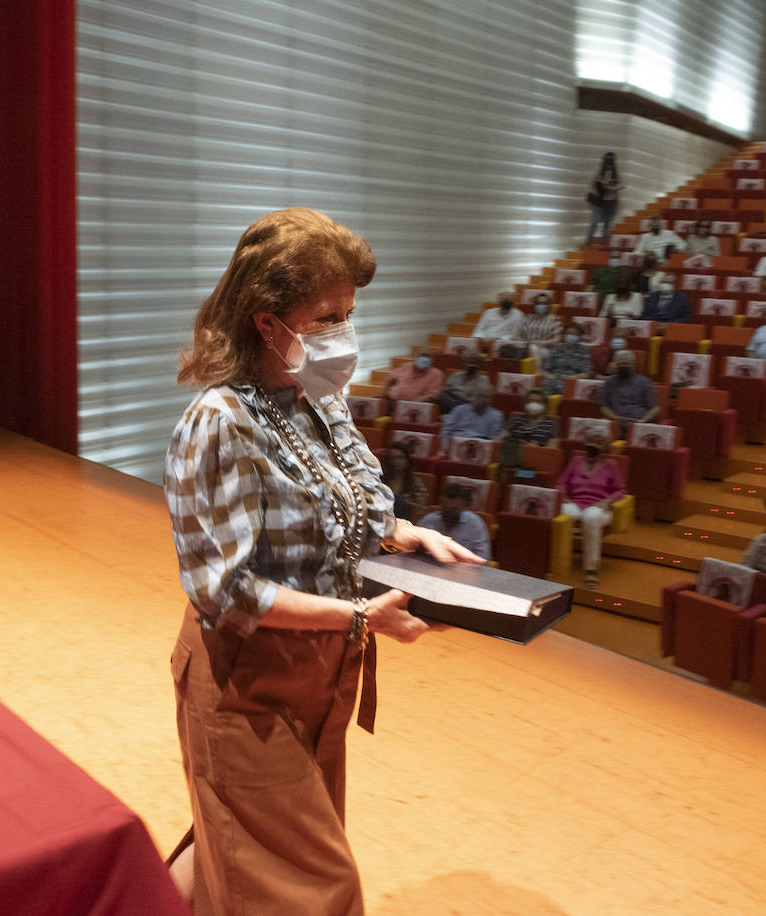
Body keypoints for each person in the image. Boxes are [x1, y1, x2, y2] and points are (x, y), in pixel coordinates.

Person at [162, 208, 482, 913]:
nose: (345, 334)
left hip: (317, 680)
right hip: (244, 689)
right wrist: (360, 617)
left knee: (240, 862)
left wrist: (404, 536)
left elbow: (353, 508)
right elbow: (229, 593)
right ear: (267, 323)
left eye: (349, 314)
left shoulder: (320, 401)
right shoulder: (220, 422)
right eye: (327, 317)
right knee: (313, 891)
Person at [557, 430, 627, 588]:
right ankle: (554, 562)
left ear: (604, 448)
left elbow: (621, 490)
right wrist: (564, 496)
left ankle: (591, 570)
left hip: (598, 506)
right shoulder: (576, 461)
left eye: (598, 443)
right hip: (575, 503)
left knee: (590, 518)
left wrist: (608, 501)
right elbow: (561, 483)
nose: (593, 447)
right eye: (591, 443)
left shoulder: (611, 465)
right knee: (561, 512)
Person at [417, 482, 493, 561]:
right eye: (445, 508)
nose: (449, 514)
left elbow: (484, 559)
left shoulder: (475, 525)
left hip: (463, 570)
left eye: (454, 509)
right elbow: (413, 552)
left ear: (462, 507)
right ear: (440, 504)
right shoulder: (427, 522)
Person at [600, 349, 659, 430]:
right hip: (615, 423)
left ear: (633, 364)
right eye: (621, 364)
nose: (624, 366)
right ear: (616, 365)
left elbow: (655, 408)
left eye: (626, 364)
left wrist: (643, 421)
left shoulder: (645, 382)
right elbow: (604, 407)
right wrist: (616, 419)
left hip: (638, 424)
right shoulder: (609, 383)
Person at [380, 441, 428, 521]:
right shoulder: (380, 481)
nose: (396, 461)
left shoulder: (416, 484)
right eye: (392, 458)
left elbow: (420, 511)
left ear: (407, 460)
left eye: (400, 458)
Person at [541, 322, 592, 396]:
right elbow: (545, 370)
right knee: (546, 385)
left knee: (565, 387)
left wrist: (573, 377)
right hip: (554, 377)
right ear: (564, 335)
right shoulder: (556, 348)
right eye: (568, 333)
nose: (571, 336)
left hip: (572, 378)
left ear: (580, 337)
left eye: (574, 334)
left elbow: (587, 373)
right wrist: (550, 376)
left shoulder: (584, 350)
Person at [585, 152, 623, 247]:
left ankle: (604, 244)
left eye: (611, 159)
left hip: (611, 201)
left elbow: (621, 185)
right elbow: (592, 184)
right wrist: (598, 192)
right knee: (595, 222)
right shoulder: (599, 171)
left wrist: (611, 188)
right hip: (600, 201)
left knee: (607, 224)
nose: (609, 161)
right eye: (607, 159)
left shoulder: (616, 173)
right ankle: (588, 243)